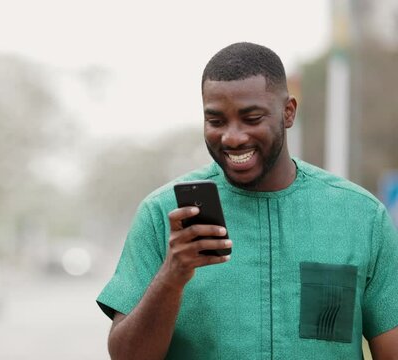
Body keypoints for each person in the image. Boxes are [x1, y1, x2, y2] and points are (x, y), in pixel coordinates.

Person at [96, 42, 398, 359]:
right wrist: (171, 277)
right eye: (216, 121)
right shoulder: (162, 214)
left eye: (251, 118)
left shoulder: (361, 217)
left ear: (288, 112)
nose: (233, 137)